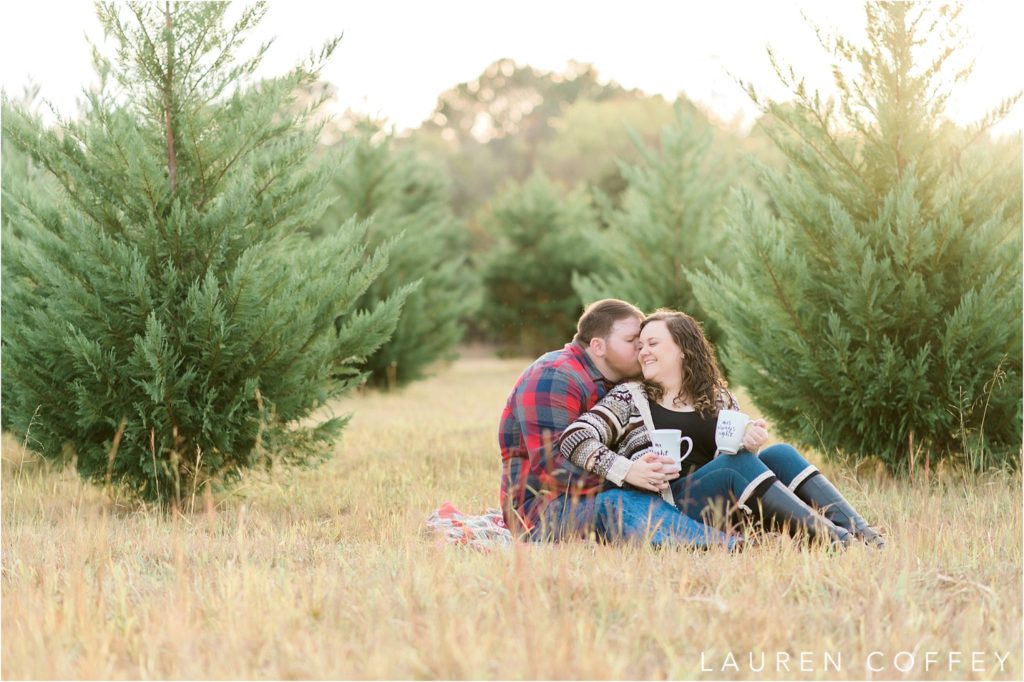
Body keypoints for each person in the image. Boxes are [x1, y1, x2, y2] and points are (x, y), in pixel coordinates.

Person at [559, 310, 885, 549]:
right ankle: (836, 542)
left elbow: (742, 467)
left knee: (780, 453)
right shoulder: (629, 398)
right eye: (640, 345)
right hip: (674, 507)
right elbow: (575, 438)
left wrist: (749, 443)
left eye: (653, 343)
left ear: (682, 348)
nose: (643, 351)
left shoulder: (718, 398)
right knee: (734, 465)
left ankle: (862, 534)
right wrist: (628, 470)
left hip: (728, 509)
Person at [499, 299, 735, 549]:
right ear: (598, 346)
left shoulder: (616, 384)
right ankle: (725, 545)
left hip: (603, 496)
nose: (642, 349)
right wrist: (628, 473)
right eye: (633, 341)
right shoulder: (555, 375)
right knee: (621, 503)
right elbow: (555, 469)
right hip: (543, 513)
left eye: (646, 342)